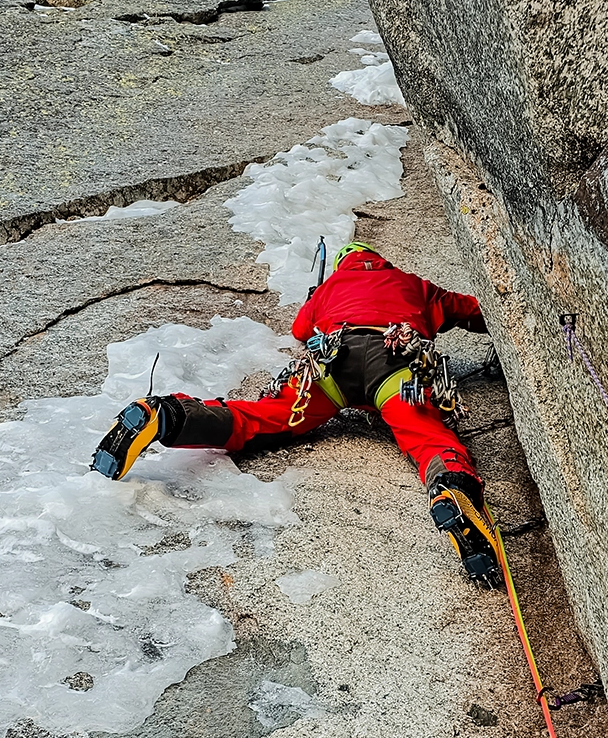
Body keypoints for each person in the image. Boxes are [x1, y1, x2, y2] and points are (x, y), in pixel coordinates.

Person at [91, 241, 501, 587]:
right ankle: (450, 487)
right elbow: (474, 312)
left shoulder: (330, 288)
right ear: (381, 262)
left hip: (329, 368)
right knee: (427, 436)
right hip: (394, 361)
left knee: (263, 417)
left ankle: (168, 416)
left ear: (343, 266)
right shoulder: (414, 285)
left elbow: (301, 331)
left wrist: (315, 301)